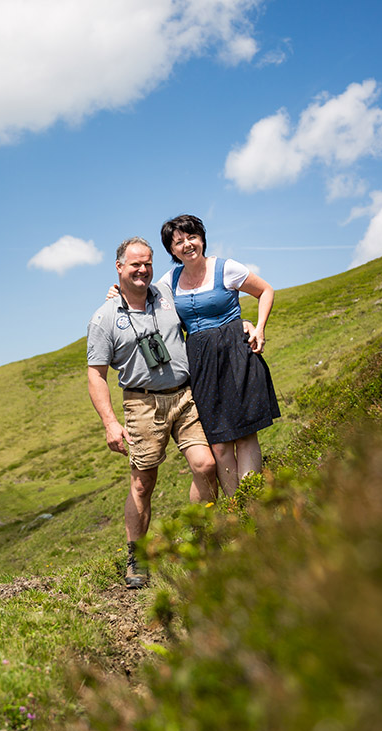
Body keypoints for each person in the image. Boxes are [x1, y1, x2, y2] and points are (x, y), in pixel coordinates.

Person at [87, 237, 217, 589]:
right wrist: (111, 423)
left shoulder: (167, 293)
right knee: (143, 484)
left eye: (147, 263)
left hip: (186, 396)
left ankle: (203, 539)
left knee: (206, 465)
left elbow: (206, 301)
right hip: (142, 404)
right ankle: (137, 558)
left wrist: (245, 325)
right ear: (119, 268)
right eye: (134, 265)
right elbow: (96, 375)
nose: (142, 270)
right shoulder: (104, 318)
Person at [156, 214, 280, 496]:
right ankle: (236, 508)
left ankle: (252, 504)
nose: (187, 244)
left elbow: (265, 290)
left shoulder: (226, 268)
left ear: (202, 239)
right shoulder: (169, 281)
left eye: (192, 237)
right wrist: (118, 293)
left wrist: (258, 327)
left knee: (246, 435)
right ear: (172, 250)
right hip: (200, 364)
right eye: (179, 241)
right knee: (220, 443)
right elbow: (145, 297)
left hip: (236, 353)